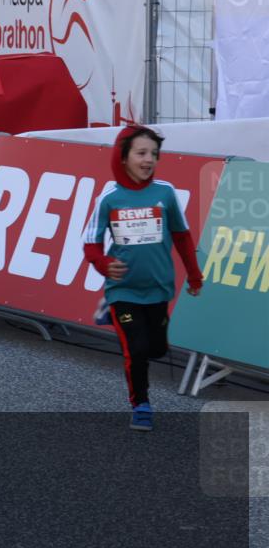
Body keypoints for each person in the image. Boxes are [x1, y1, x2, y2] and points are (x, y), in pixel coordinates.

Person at [83, 124, 203, 431]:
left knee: (156, 349)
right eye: (141, 153)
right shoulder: (109, 197)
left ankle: (122, 321)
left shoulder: (165, 193)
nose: (149, 159)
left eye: (154, 154)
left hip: (159, 288)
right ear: (123, 157)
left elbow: (182, 237)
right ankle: (141, 405)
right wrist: (103, 263)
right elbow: (91, 242)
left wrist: (194, 276)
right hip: (123, 289)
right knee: (136, 350)